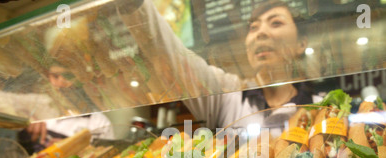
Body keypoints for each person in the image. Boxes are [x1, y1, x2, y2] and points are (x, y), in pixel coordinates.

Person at [118, 0, 318, 134]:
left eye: (275, 23)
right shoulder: (228, 95)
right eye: (253, 27)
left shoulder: (323, 106)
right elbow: (174, 61)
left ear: (302, 44)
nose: (260, 33)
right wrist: (134, 7)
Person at [19, 63, 115, 154]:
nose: (61, 83)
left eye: (68, 76)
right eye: (55, 76)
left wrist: (72, 148)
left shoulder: (99, 121)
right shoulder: (39, 117)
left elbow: (110, 152)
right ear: (48, 78)